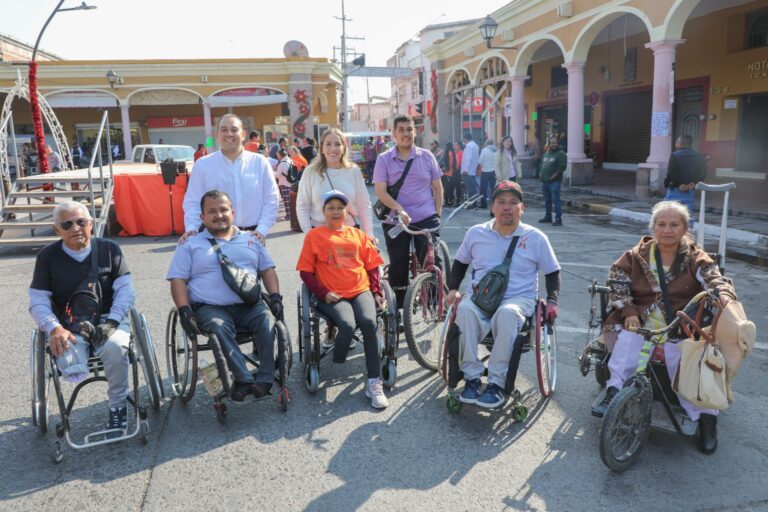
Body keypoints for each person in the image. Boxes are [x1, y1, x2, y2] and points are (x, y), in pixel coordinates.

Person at [591, 200, 737, 454]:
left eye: (674, 224)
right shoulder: (636, 256)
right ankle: (615, 392)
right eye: (661, 224)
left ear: (684, 229)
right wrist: (628, 312)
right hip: (641, 322)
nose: (667, 229)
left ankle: (706, 418)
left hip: (681, 326)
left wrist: (723, 294)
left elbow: (714, 279)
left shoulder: (695, 258)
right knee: (627, 343)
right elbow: (616, 280)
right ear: (653, 227)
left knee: (688, 369)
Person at [446, 181, 561, 408]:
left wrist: (552, 300)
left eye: (513, 203)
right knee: (465, 310)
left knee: (507, 314)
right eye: (501, 202)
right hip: (480, 297)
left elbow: (552, 272)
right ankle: (471, 378)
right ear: (493, 207)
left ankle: (497, 384)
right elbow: (459, 263)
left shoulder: (536, 237)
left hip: (518, 299)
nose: (506, 207)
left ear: (522, 208)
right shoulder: (475, 233)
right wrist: (452, 289)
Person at [167, 190, 283, 402]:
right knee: (219, 328)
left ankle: (265, 378)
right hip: (211, 307)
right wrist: (184, 310)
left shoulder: (251, 239)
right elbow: (178, 280)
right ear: (202, 217)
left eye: (223, 209)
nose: (219, 215)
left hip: (249, 304)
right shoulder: (190, 244)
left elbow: (267, 269)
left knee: (267, 320)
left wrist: (275, 296)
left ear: (233, 212)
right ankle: (244, 379)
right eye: (212, 211)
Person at [29, 201, 136, 430]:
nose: (75, 228)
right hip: (68, 325)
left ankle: (118, 406)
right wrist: (54, 328)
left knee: (117, 348)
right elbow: (37, 301)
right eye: (67, 224)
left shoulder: (109, 249)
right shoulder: (47, 257)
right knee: (70, 364)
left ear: (91, 224)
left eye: (81, 222)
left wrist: (113, 322)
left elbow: (126, 291)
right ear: (57, 230)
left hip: (108, 319)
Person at [296, 190, 388, 408]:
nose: (336, 211)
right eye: (331, 208)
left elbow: (373, 266)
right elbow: (306, 272)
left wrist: (376, 291)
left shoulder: (358, 235)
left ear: (347, 211)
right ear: (323, 211)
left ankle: (374, 382)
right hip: (332, 294)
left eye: (340, 207)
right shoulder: (314, 236)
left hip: (360, 289)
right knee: (346, 324)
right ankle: (338, 358)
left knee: (369, 322)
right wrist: (323, 292)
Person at [373, 114, 443, 309]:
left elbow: (437, 188)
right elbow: (380, 191)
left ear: (415, 131)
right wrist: (399, 209)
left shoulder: (427, 156)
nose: (406, 134)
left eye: (409, 129)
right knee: (399, 265)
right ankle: (401, 309)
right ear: (394, 134)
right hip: (396, 220)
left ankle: (437, 305)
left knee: (432, 261)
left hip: (426, 218)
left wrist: (437, 215)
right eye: (401, 130)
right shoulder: (384, 159)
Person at [181, 113, 279, 244]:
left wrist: (262, 229)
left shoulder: (260, 162)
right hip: (214, 238)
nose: (229, 134)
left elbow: (271, 199)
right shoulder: (203, 165)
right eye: (224, 130)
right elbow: (193, 201)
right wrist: (192, 228)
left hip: (252, 236)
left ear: (243, 134)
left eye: (234, 130)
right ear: (217, 135)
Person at [296, 127, 373, 237]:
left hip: (349, 234)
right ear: (321, 148)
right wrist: (309, 235)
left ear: (343, 148)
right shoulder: (311, 172)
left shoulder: (353, 170)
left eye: (337, 144)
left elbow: (364, 204)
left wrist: (369, 234)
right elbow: (302, 206)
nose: (333, 148)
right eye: (328, 144)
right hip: (319, 236)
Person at [665, 135, 707, 217]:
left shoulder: (675, 155)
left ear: (682, 144)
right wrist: (693, 183)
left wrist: (677, 184)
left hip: (676, 189)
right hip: (690, 189)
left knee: (668, 213)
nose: (675, 143)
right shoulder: (698, 156)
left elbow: (671, 173)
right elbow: (703, 172)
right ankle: (688, 229)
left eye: (677, 142)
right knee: (687, 214)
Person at [539, 136, 566, 226]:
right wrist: (541, 174)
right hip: (545, 181)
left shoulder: (561, 153)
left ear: (557, 143)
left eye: (555, 143)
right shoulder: (547, 153)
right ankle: (548, 217)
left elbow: (562, 167)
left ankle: (558, 219)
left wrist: (553, 177)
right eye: (552, 143)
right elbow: (541, 164)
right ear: (549, 144)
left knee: (556, 200)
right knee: (547, 200)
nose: (554, 144)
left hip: (554, 182)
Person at [459, 132, 480, 204]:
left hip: (467, 171)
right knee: (473, 188)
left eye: (463, 139)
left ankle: (471, 204)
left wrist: (465, 170)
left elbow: (468, 159)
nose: (463, 141)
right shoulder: (476, 146)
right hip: (473, 170)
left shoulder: (468, 146)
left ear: (465, 139)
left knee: (470, 188)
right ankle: (474, 202)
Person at [275, 148, 294, 222]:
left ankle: (288, 216)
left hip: (284, 183)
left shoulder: (282, 163)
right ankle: (291, 215)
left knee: (286, 201)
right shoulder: (290, 160)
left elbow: (277, 175)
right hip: (291, 182)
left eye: (278, 155)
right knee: (291, 201)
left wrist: (271, 172)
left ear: (280, 155)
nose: (277, 157)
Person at [478, 138, 497, 208]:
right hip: (494, 172)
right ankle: (495, 204)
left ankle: (483, 204)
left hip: (485, 172)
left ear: (486, 143)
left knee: (483, 188)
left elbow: (480, 161)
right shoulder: (497, 150)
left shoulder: (484, 150)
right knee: (494, 188)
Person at [441, 142, 457, 207]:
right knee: (450, 188)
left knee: (445, 189)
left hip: (446, 172)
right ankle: (450, 201)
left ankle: (445, 201)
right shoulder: (453, 153)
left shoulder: (447, 153)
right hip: (451, 172)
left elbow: (445, 163)